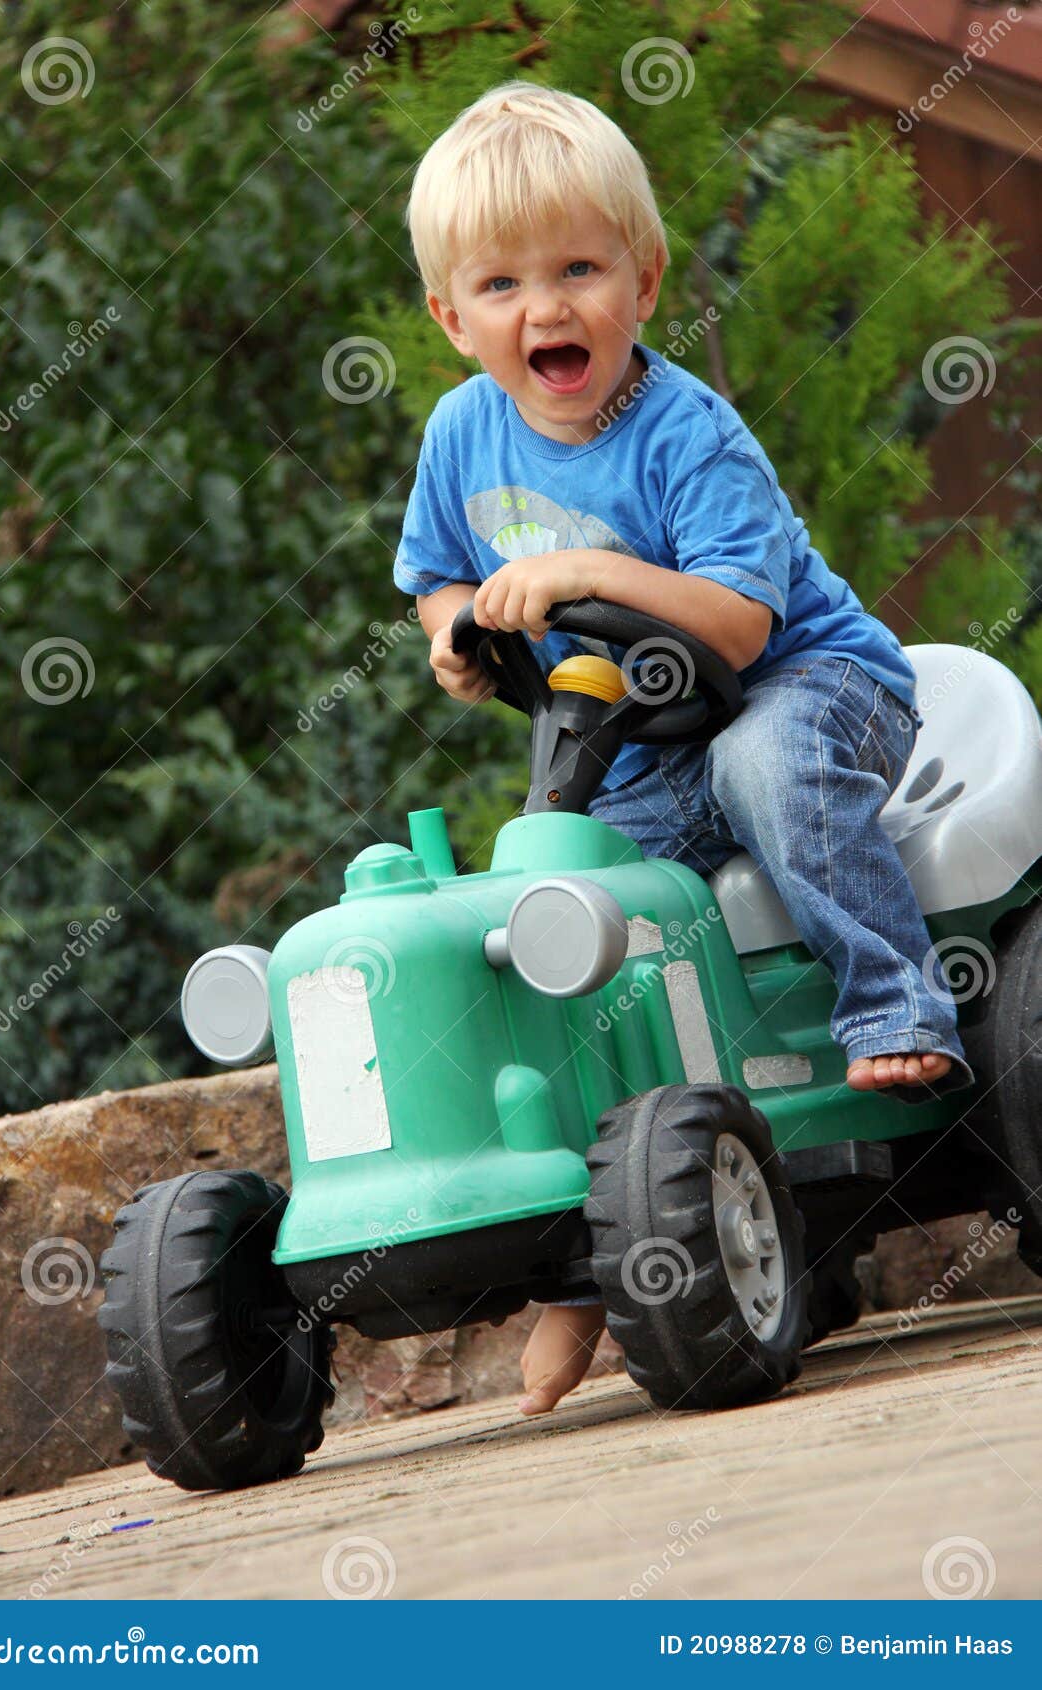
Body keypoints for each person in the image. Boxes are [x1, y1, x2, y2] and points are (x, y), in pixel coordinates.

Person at [392, 81, 974, 1418]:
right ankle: (590, 1241)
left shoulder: (688, 432)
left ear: (643, 280)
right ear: (451, 318)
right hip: (641, 747)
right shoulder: (458, 435)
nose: (547, 308)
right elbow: (435, 575)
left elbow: (738, 615)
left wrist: (595, 566)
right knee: (561, 916)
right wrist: (451, 634)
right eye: (502, 284)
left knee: (764, 768)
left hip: (806, 687)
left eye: (580, 269)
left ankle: (898, 1001)